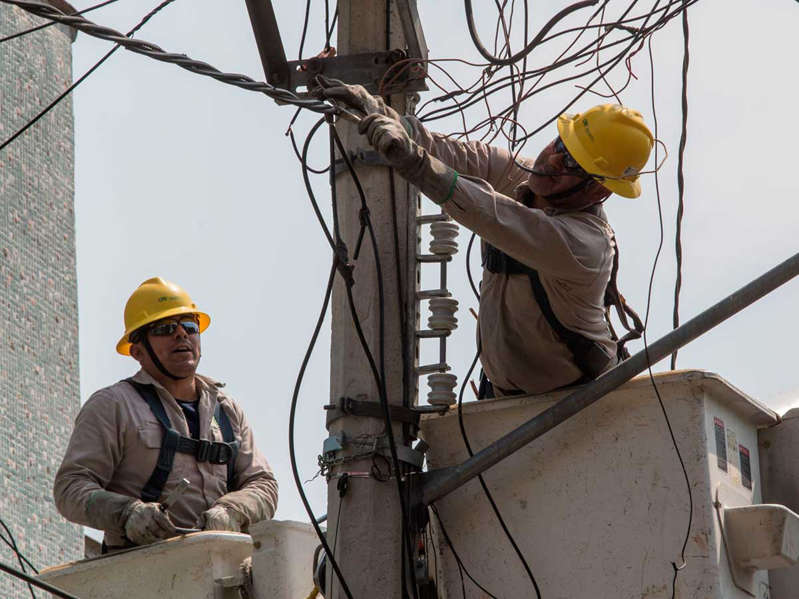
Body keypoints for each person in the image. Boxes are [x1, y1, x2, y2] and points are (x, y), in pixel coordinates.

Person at [318, 79, 650, 397]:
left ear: (598, 189)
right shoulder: (524, 174)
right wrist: (383, 115)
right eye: (560, 145)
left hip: (579, 405)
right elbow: (452, 154)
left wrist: (415, 162)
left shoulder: (585, 245)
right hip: (506, 402)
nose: (552, 162)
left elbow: (489, 212)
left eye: (573, 166)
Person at [54, 277, 278, 550]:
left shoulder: (227, 411)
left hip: (220, 567)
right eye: (165, 328)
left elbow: (263, 484)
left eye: (190, 326)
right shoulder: (114, 406)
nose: (182, 334)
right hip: (140, 571)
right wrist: (127, 513)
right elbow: (70, 489)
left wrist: (231, 511)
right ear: (138, 351)